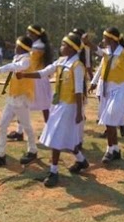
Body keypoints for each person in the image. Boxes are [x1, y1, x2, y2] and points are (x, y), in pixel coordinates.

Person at [17, 33, 88, 187]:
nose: (61, 47)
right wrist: (25, 75)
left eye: (64, 44)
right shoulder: (61, 62)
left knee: (56, 137)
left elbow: (78, 91)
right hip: (58, 104)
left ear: (72, 48)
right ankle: (81, 160)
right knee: (68, 136)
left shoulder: (77, 66)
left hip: (69, 106)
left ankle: (54, 171)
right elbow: (44, 72)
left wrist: (78, 112)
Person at [0, 36, 38, 167]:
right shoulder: (19, 57)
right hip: (12, 98)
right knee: (2, 126)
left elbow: (15, 66)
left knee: (26, 126)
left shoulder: (27, 60)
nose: (15, 47)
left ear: (22, 47)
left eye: (17, 45)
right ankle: (0, 155)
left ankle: (33, 150)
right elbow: (14, 64)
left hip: (22, 99)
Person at [89, 27, 124, 163]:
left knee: (110, 120)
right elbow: (99, 60)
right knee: (108, 122)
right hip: (106, 89)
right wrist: (93, 82)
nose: (103, 40)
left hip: (119, 89)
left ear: (112, 39)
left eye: (105, 37)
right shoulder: (106, 52)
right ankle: (116, 149)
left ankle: (109, 150)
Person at [7, 25, 53, 142]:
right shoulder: (37, 46)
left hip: (37, 80)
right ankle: (19, 131)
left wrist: (17, 47)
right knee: (25, 105)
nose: (28, 35)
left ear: (36, 34)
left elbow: (29, 54)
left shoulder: (39, 47)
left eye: (29, 33)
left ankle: (48, 131)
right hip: (33, 79)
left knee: (44, 106)